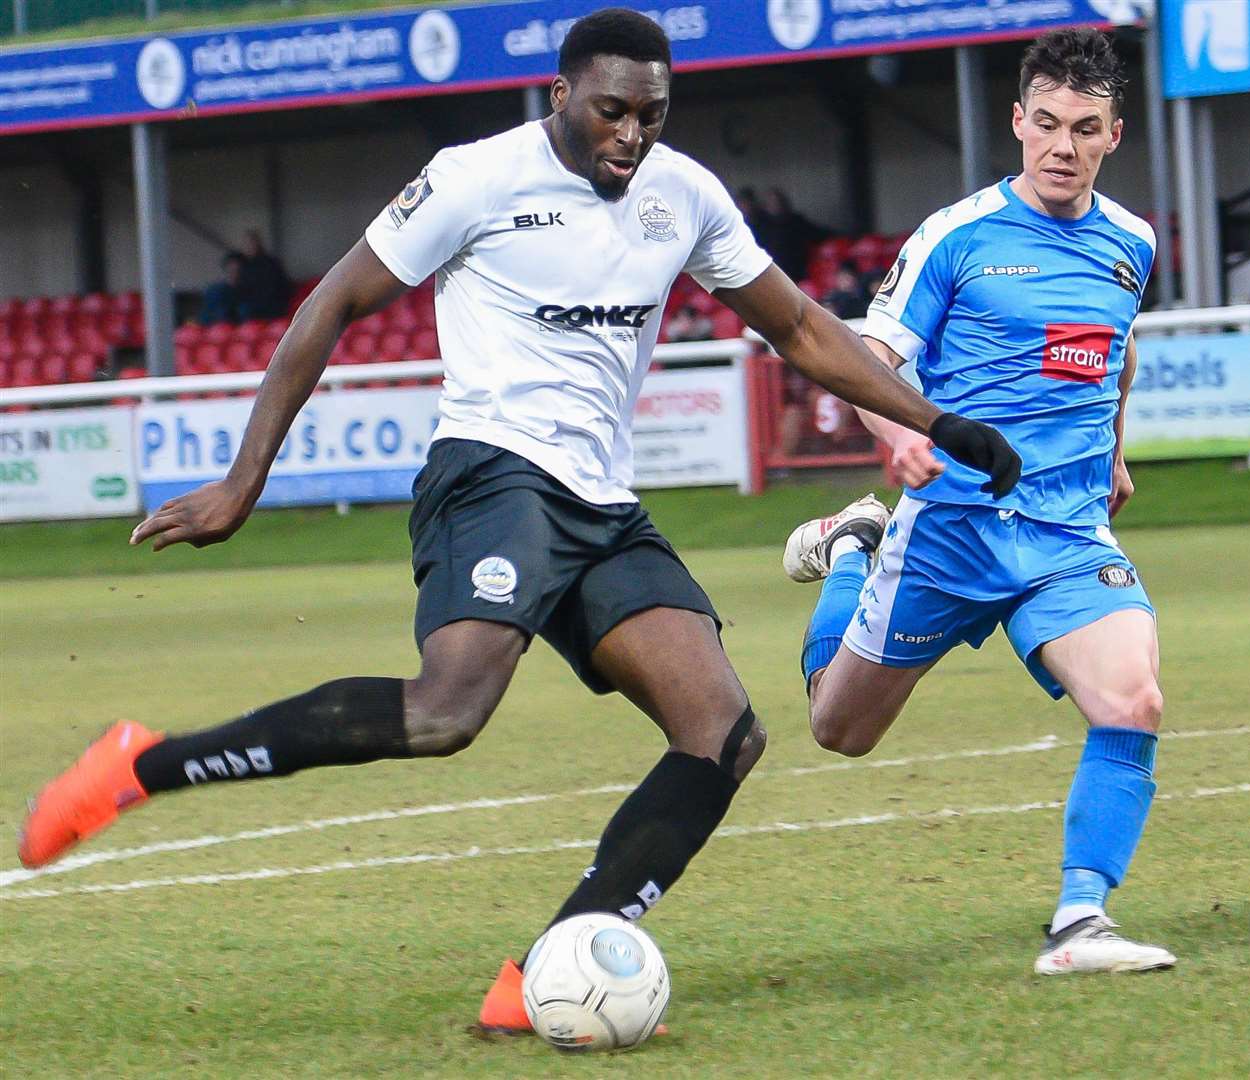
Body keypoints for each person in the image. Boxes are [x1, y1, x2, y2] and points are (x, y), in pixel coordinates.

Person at [18, 7, 1017, 1031]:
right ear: (561, 97)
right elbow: (329, 303)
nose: (631, 134)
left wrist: (936, 419)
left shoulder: (685, 197)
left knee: (721, 732)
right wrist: (243, 478)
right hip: (490, 474)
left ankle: (543, 972)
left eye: (652, 115)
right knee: (445, 712)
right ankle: (139, 765)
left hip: (600, 501)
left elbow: (800, 327)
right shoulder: (475, 178)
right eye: (612, 111)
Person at [783, 28, 1174, 975]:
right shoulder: (955, 237)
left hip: (1065, 532)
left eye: (1085, 128)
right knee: (841, 729)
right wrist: (903, 436)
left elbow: (1115, 355)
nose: (1062, 147)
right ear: (1017, 121)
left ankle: (1082, 923)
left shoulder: (1132, 245)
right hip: (950, 531)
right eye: (1045, 124)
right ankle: (852, 552)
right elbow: (871, 359)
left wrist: (1114, 456)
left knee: (1133, 698)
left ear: (1114, 134)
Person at [754, 186, 830, 282]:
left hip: (796, 271)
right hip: (771, 273)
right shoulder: (760, 226)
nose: (775, 206)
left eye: (778, 202)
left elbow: (818, 234)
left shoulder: (796, 222)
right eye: (771, 203)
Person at [238, 229, 291, 320]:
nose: (249, 247)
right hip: (253, 305)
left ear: (258, 244)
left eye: (252, 243)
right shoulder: (245, 266)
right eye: (247, 244)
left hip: (271, 305)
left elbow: (281, 287)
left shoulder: (271, 263)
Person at [197, 251, 248, 325]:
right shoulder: (214, 291)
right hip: (218, 332)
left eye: (238, 269)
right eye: (231, 268)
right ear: (226, 268)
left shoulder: (246, 292)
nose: (234, 272)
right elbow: (205, 317)